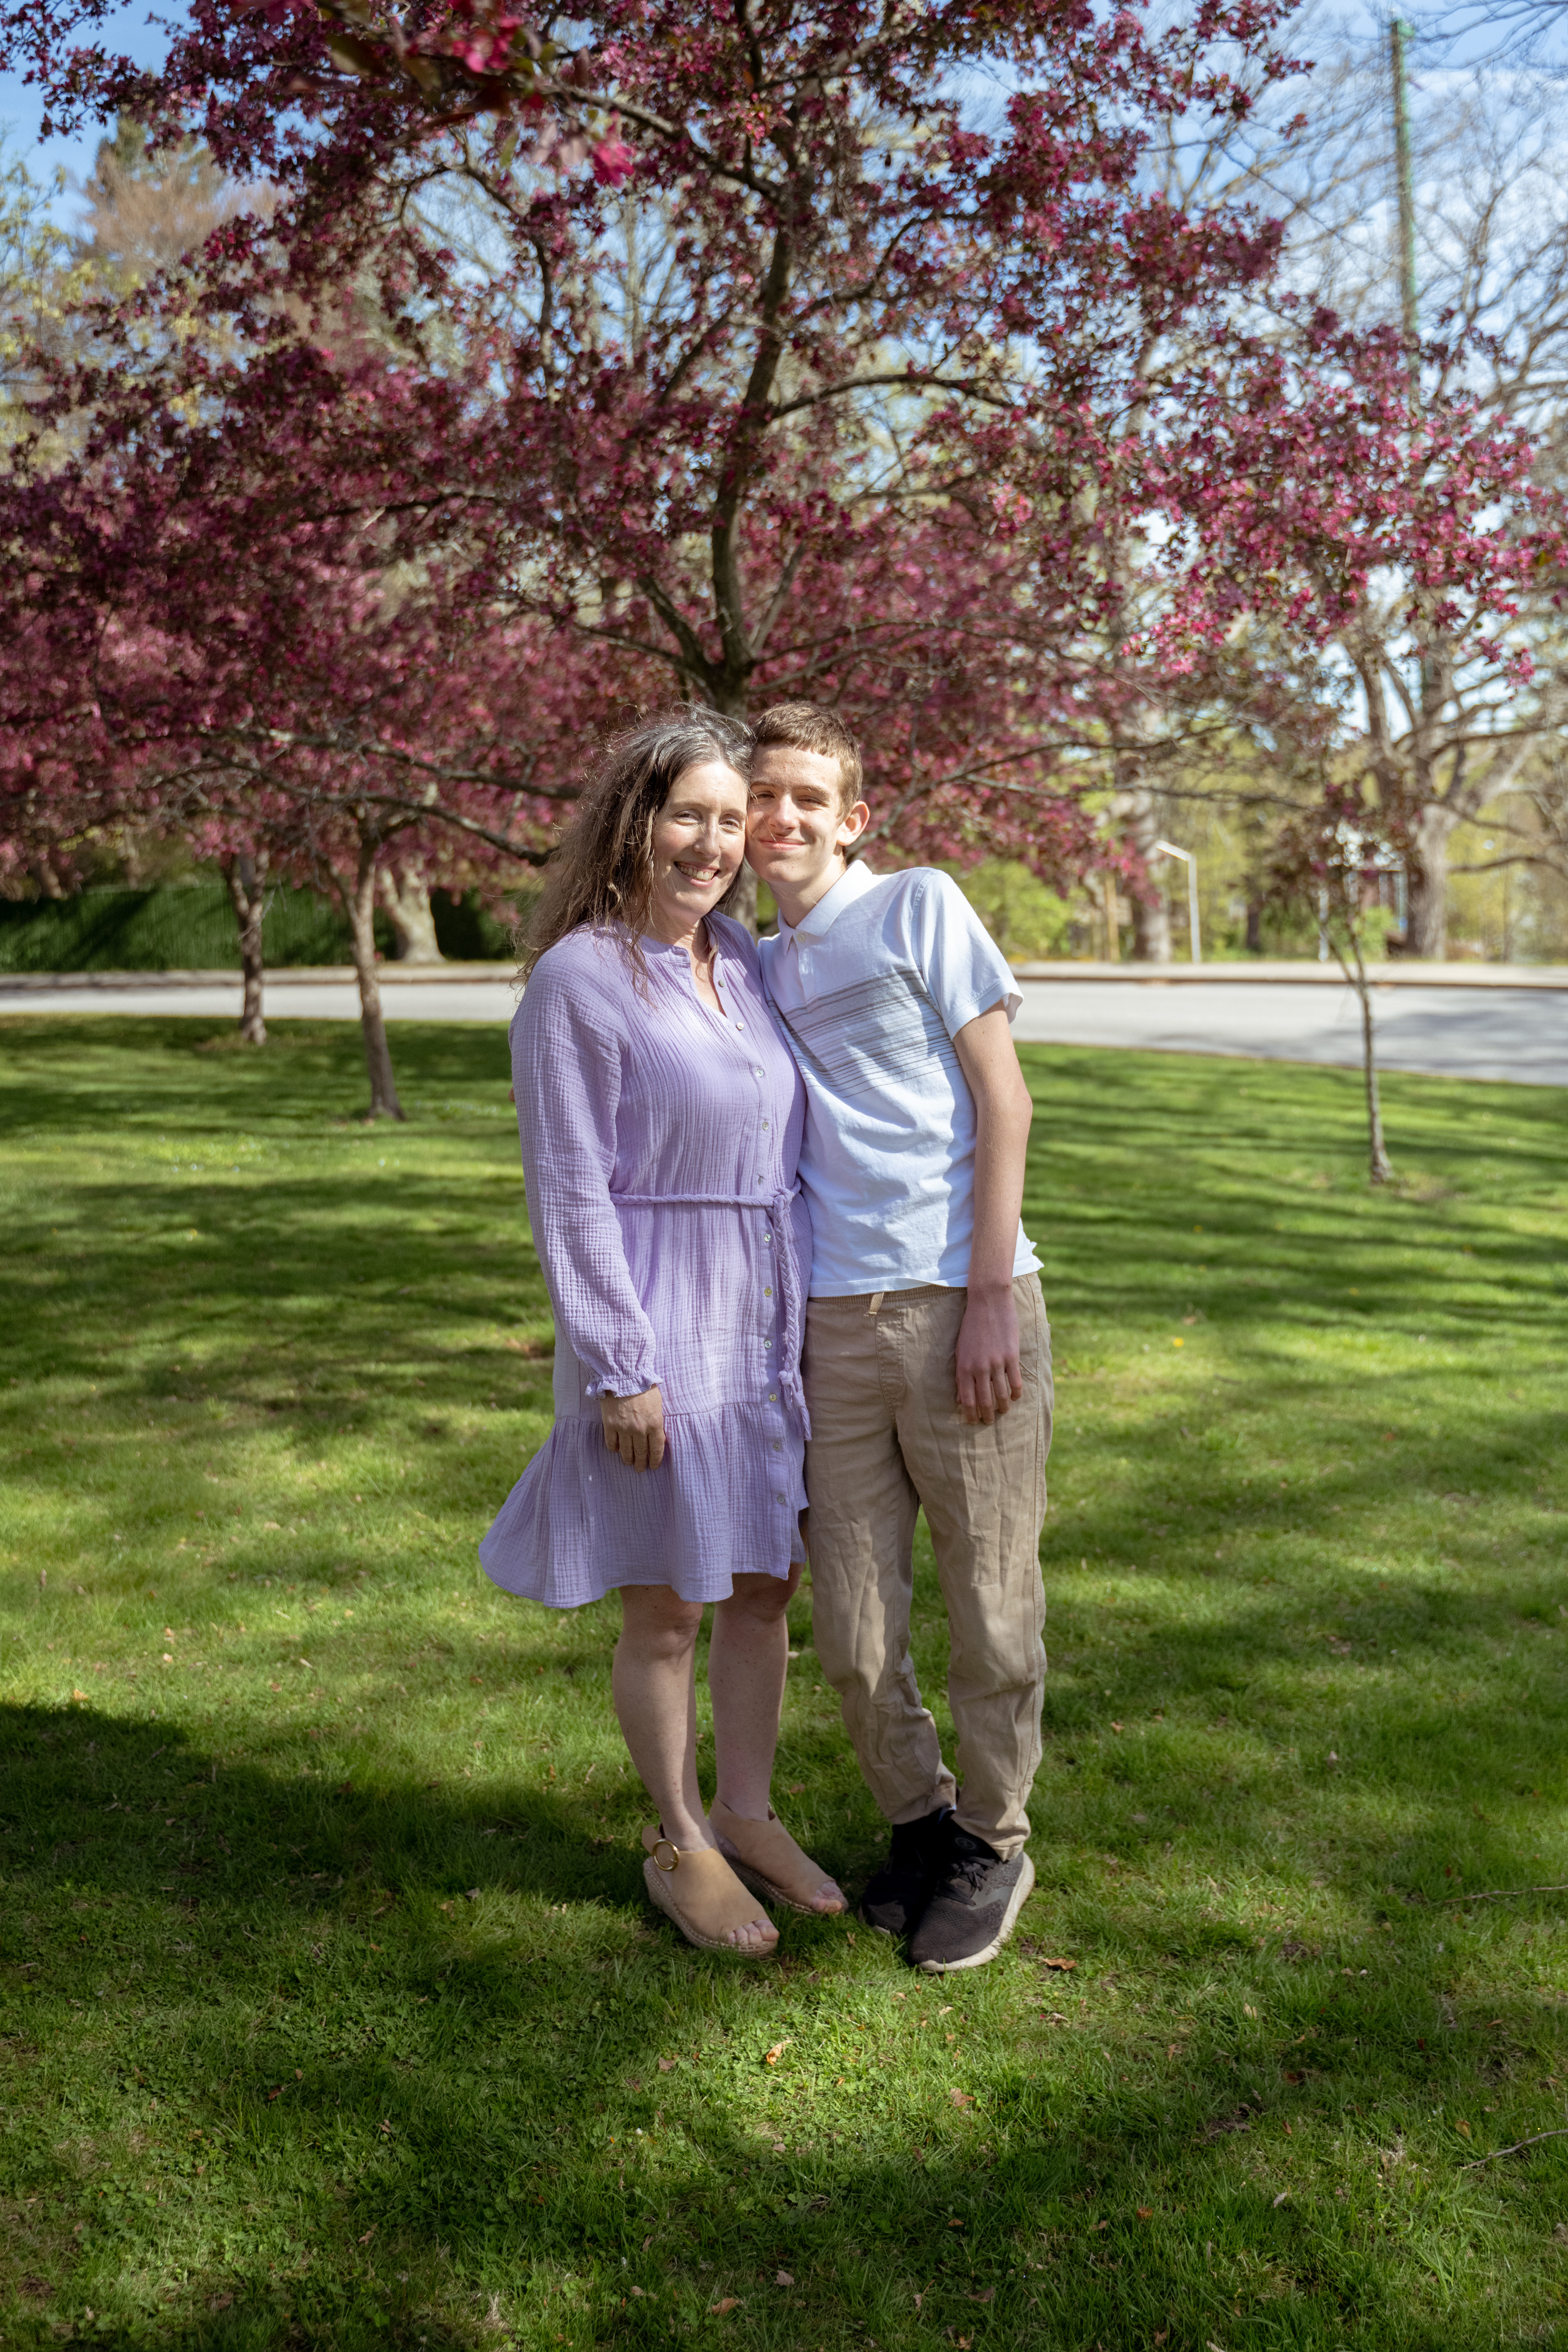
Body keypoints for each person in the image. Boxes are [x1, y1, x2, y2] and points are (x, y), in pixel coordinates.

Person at [480, 710, 844, 1958]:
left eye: (733, 820)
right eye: (689, 814)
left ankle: (747, 1810)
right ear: (634, 822)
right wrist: (619, 1370)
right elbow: (569, 1189)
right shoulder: (578, 980)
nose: (714, 843)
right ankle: (680, 1836)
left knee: (762, 1587)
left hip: (761, 1316)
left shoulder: (738, 960)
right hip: (658, 1325)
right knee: (669, 1610)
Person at [748, 701, 1051, 1975]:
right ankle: (920, 1826)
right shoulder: (758, 964)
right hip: (832, 1322)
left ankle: (994, 1838)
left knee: (990, 1606)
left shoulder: (919, 902)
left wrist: (988, 1295)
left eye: (810, 798)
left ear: (852, 817)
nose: (783, 818)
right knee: (855, 1632)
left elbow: (1005, 1098)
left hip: (960, 1306)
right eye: (764, 796)